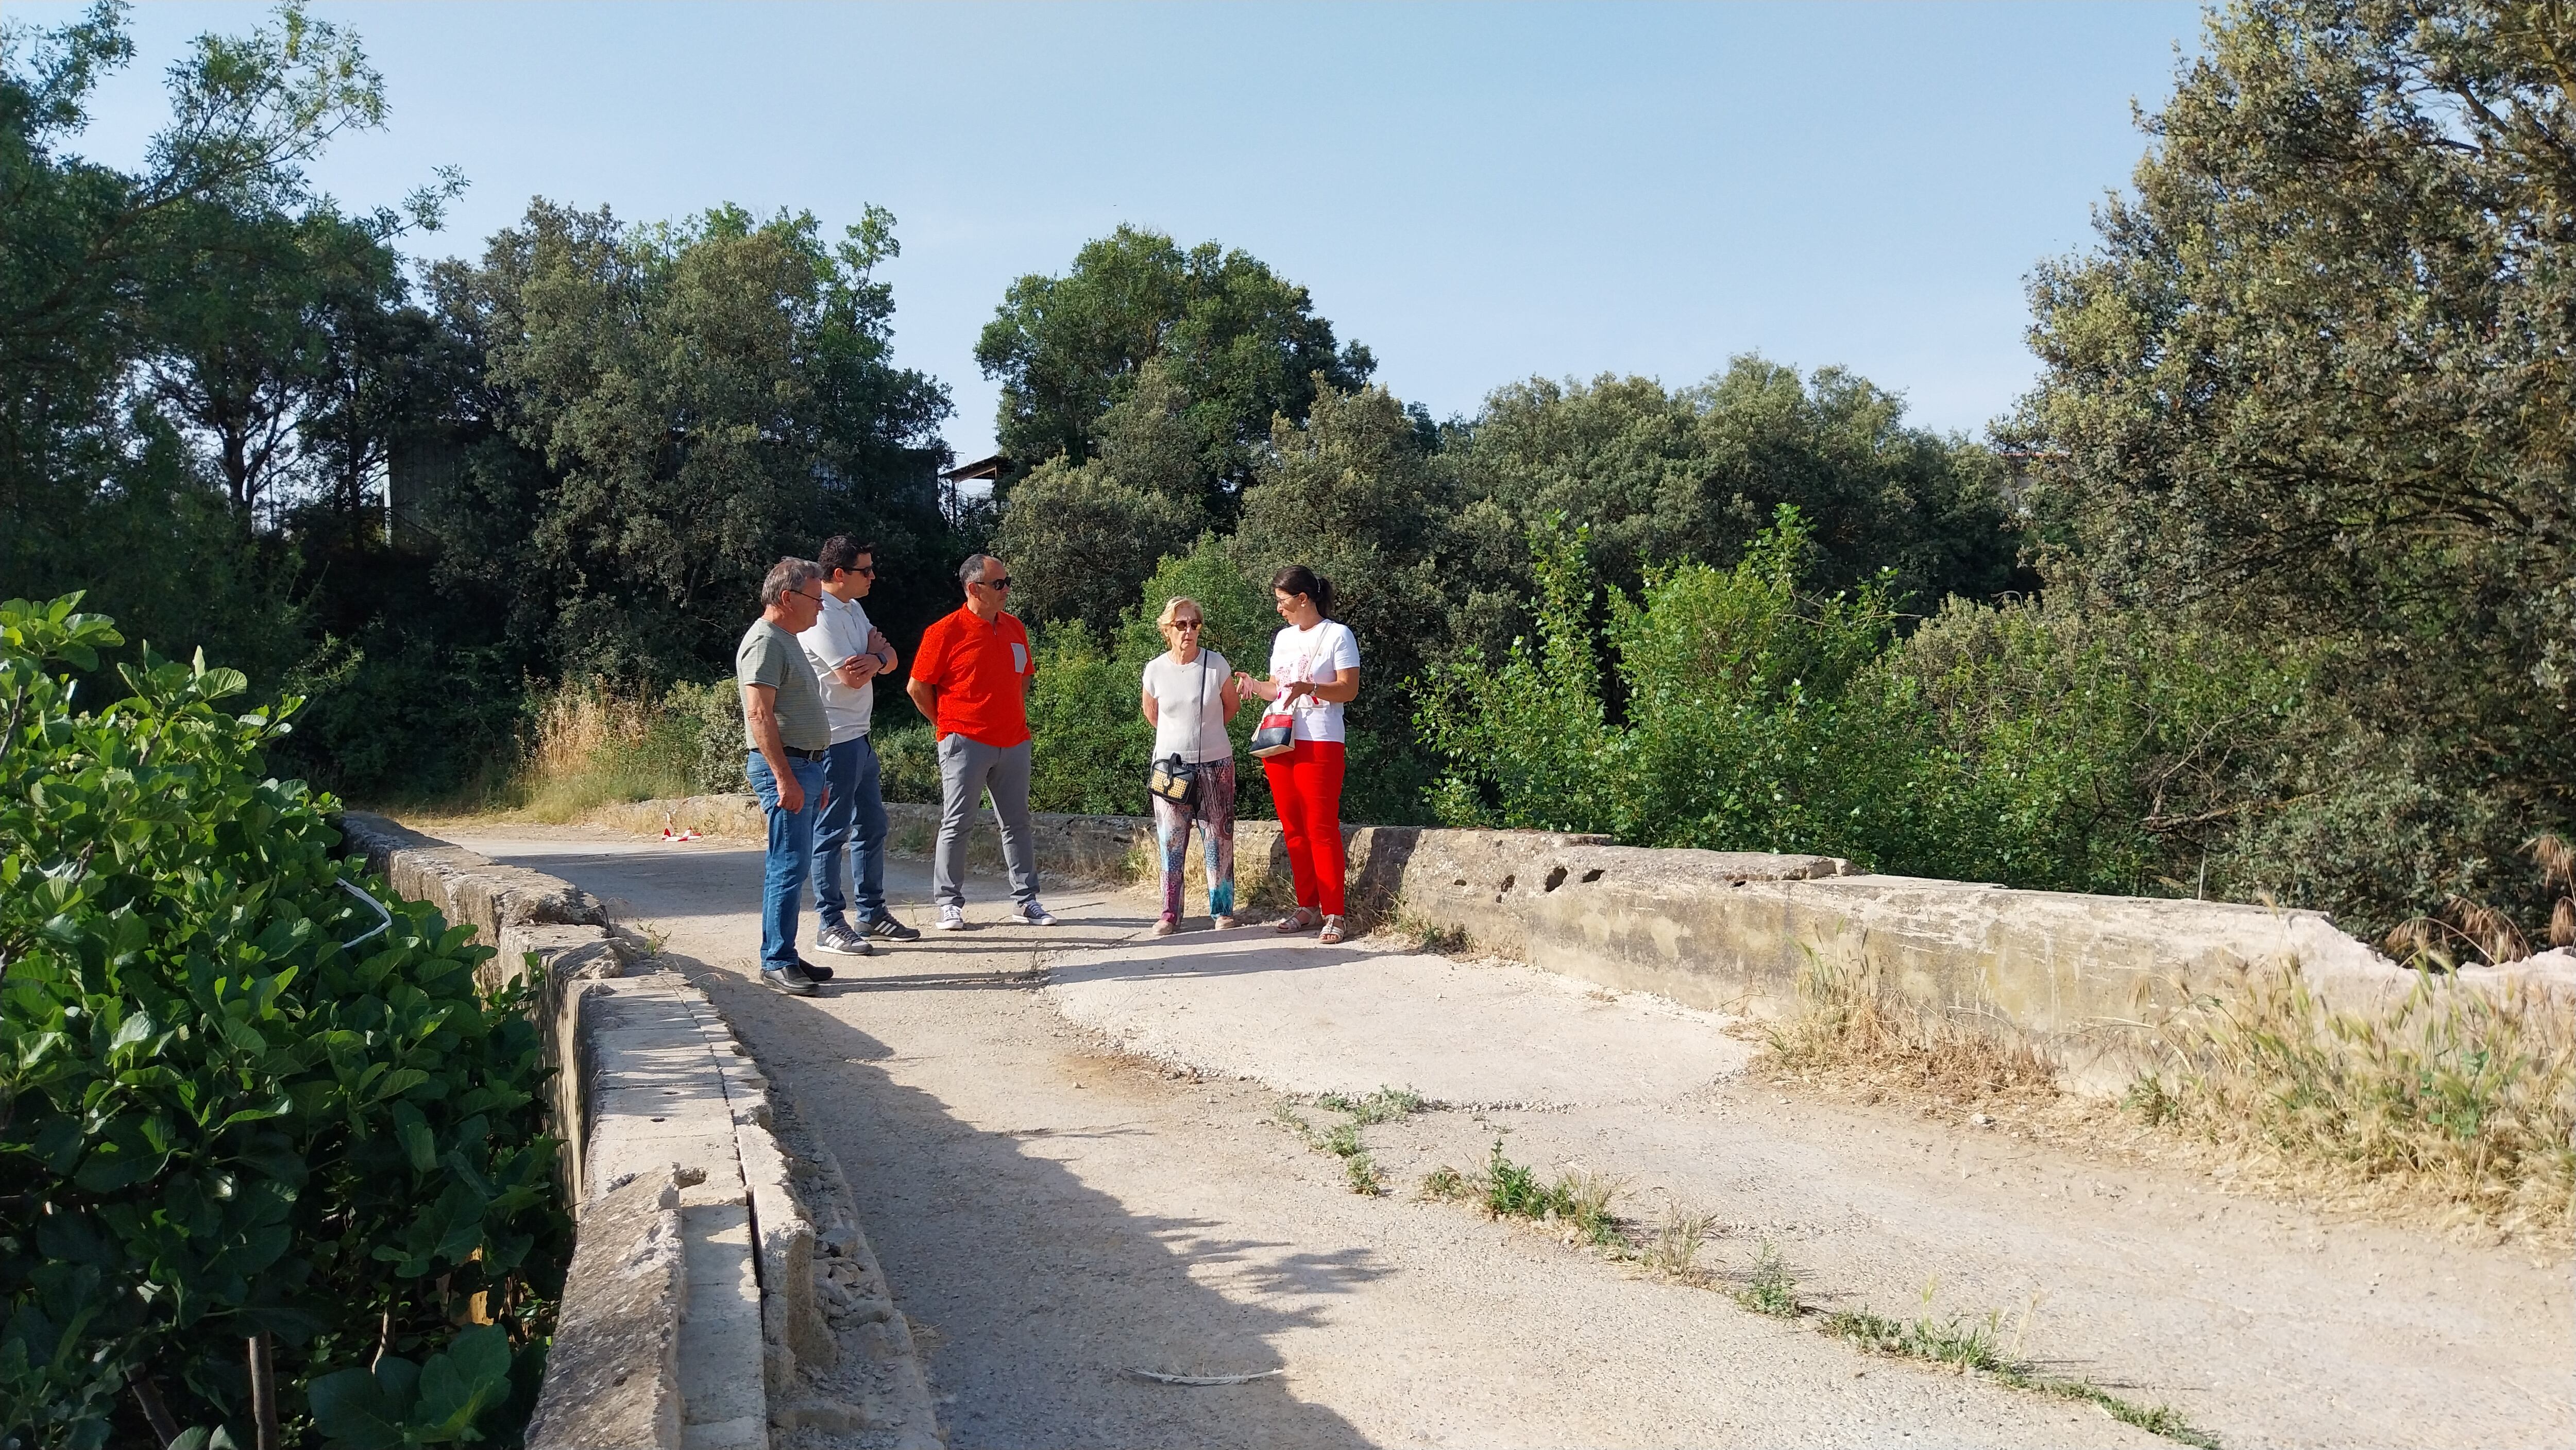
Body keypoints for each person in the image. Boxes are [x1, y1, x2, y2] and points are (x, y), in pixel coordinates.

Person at [906, 553, 1055, 931]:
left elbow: (1023, 677)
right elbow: (917, 687)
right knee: (957, 823)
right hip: (964, 742)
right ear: (974, 589)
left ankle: (1026, 901)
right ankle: (949, 904)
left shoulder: (1015, 627)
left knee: (1017, 823)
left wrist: (1011, 715)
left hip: (1015, 740)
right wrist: (948, 726)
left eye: (1007, 582)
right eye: (1000, 584)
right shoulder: (944, 632)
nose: (1007, 590)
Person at [798, 535, 917, 955]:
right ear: (838, 574)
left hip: (861, 736)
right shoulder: (821, 616)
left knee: (873, 824)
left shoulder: (854, 607)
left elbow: (892, 659)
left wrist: (877, 658)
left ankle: (871, 912)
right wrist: (873, 659)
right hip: (833, 740)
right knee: (831, 831)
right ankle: (830, 923)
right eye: (864, 570)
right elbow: (851, 676)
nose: (872, 576)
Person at [1236, 565, 1361, 945]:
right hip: (1281, 738)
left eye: (1283, 601)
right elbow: (1277, 689)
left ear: (1303, 598)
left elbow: (1348, 690)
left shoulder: (1339, 635)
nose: (1279, 609)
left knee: (1320, 827)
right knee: (1293, 829)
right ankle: (1306, 906)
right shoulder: (1284, 639)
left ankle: (1335, 913)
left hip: (1320, 739)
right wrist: (1252, 685)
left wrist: (1313, 687)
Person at [738, 558, 836, 994]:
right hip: (790, 766)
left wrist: (816, 773)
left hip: (805, 765)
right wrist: (786, 778)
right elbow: (759, 714)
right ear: (787, 598)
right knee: (788, 864)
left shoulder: (785, 638)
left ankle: (786, 953)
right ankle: (776, 960)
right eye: (816, 599)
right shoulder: (765, 641)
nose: (821, 607)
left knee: (794, 863)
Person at [1140, 596, 1244, 935]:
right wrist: (1179, 740)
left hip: (1216, 764)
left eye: (1194, 624)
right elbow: (1152, 715)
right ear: (1167, 630)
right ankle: (1170, 913)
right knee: (1171, 840)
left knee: (1218, 837)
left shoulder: (1216, 665)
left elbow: (1231, 706)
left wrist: (1206, 734)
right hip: (1170, 767)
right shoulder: (1155, 669)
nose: (1189, 630)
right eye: (1181, 624)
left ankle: (1222, 910)